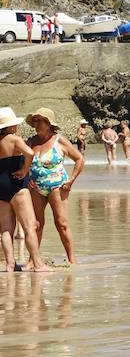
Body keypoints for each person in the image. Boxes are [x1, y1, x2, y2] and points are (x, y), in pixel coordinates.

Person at [25, 107, 83, 264]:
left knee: (61, 223)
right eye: (35, 121)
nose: (36, 124)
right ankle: (33, 260)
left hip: (57, 187)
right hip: (35, 187)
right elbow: (20, 162)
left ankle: (72, 260)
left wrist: (70, 180)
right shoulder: (30, 142)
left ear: (49, 124)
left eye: (40, 121)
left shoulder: (60, 140)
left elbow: (79, 159)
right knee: (37, 224)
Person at [0, 107, 50, 271]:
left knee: (6, 228)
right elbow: (29, 152)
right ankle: (37, 264)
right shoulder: (14, 139)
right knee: (29, 226)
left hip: (1, 184)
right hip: (16, 183)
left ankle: (9, 264)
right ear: (11, 126)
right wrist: (24, 170)